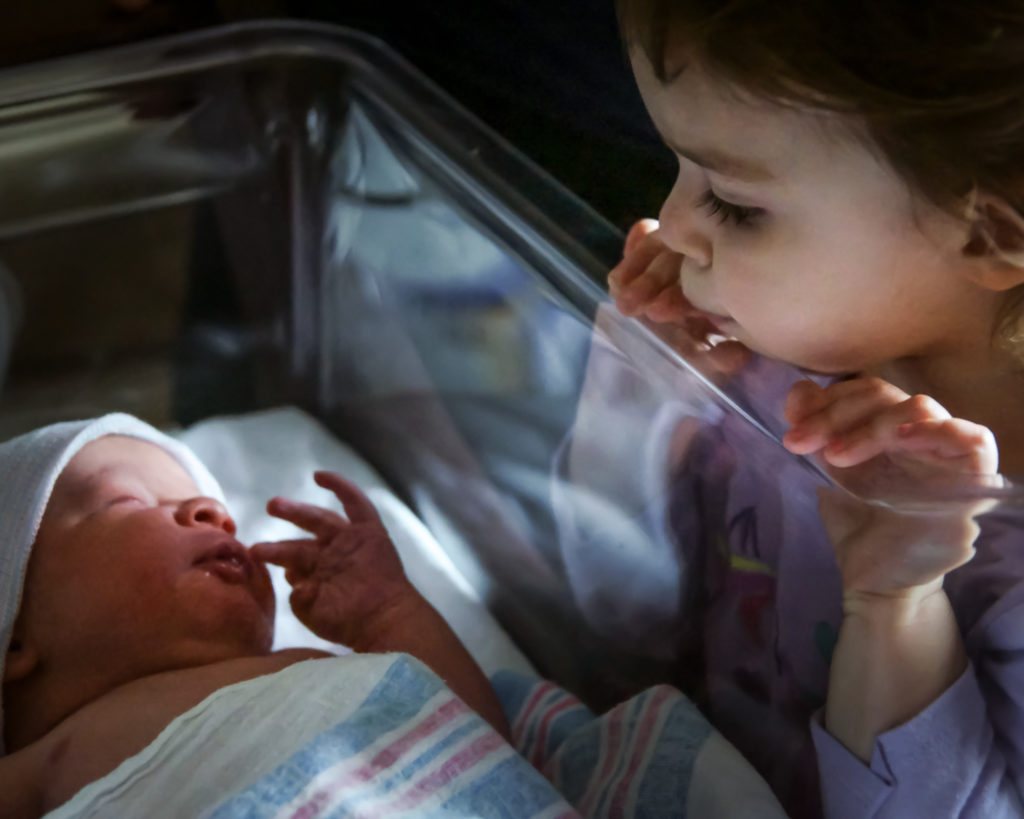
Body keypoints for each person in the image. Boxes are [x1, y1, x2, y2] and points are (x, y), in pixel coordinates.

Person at [555, 2, 1024, 817]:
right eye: (679, 170)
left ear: (989, 236)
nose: (668, 224)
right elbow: (616, 626)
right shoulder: (766, 366)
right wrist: (631, 407)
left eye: (734, 205)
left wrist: (895, 608)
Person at [0, 413, 791, 818]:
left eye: (205, 503)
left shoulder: (311, 674)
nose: (211, 508)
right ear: (14, 640)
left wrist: (388, 615)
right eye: (131, 501)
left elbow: (475, 738)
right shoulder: (49, 762)